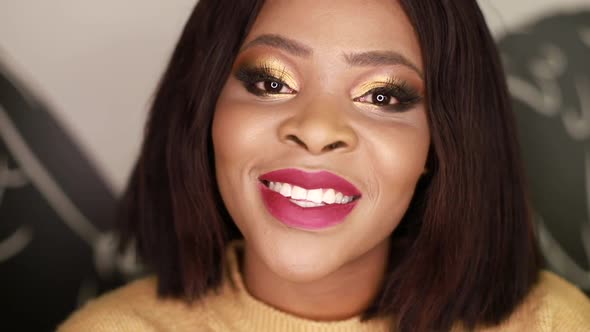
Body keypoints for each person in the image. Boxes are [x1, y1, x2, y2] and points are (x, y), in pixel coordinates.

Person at [58, 0, 590, 331]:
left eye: (383, 96)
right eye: (270, 81)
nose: (315, 129)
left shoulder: (550, 324)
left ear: (443, 144)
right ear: (205, 111)